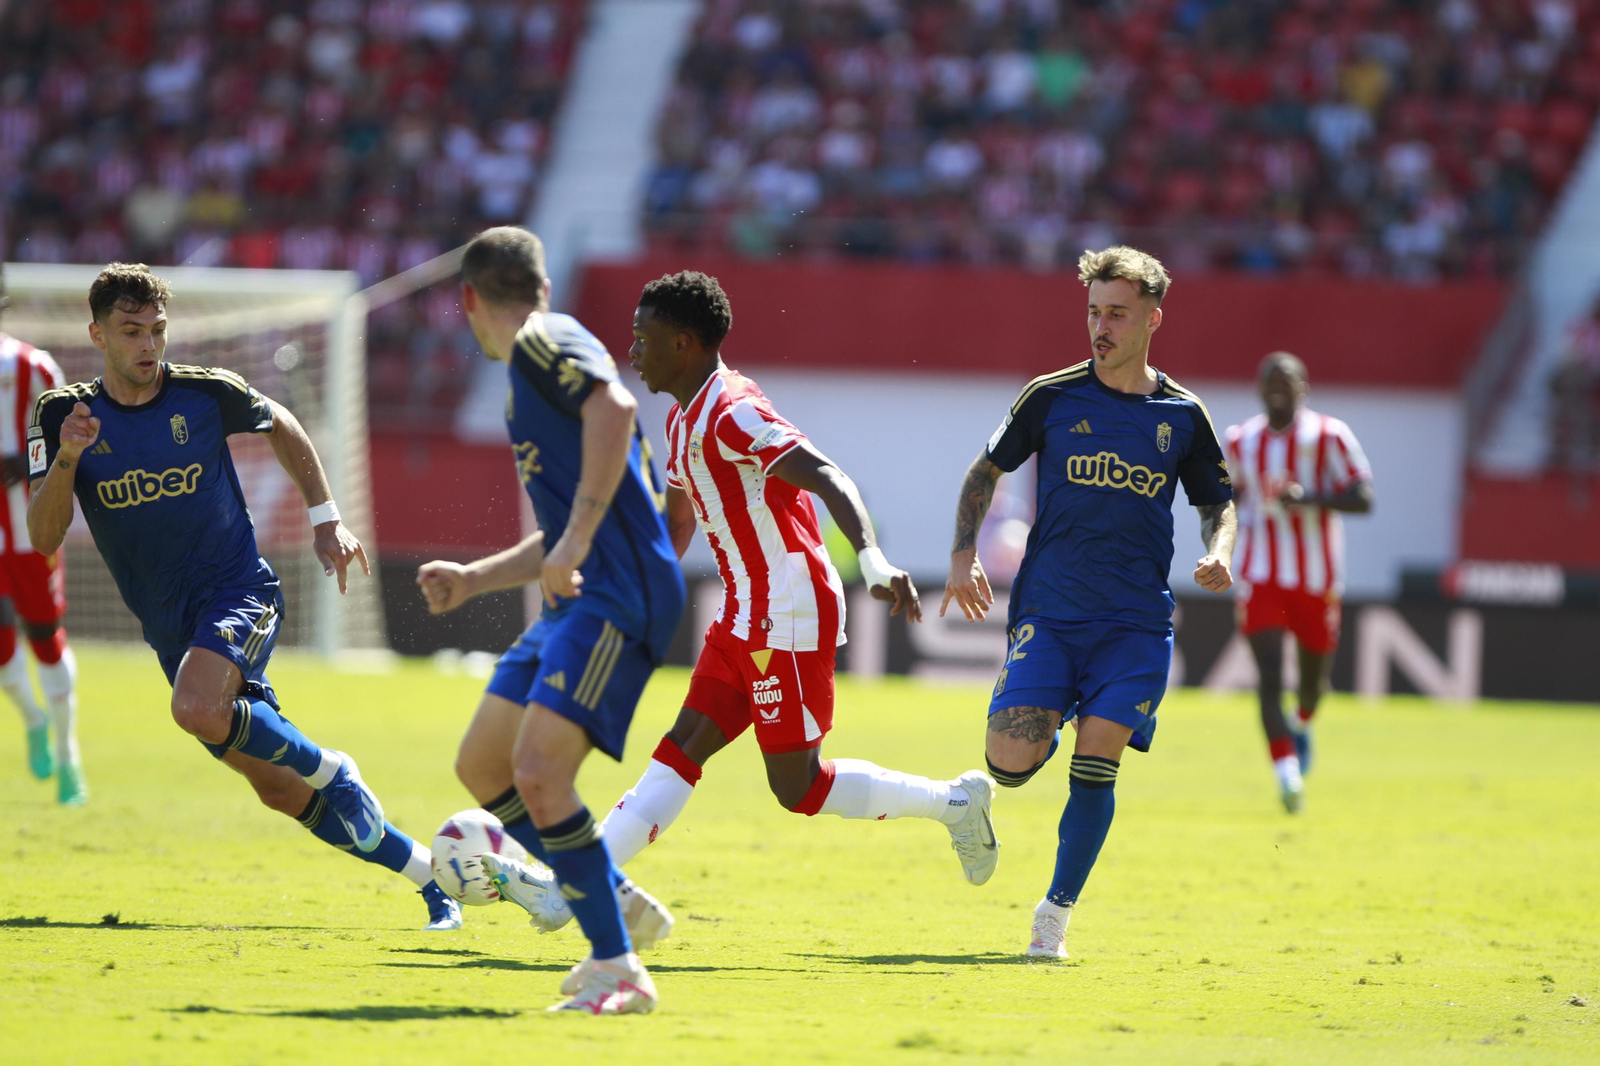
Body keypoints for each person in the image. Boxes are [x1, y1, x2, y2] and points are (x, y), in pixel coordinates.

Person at [477, 269, 999, 994]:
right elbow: (678, 523)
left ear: (685, 344)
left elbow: (826, 474)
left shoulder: (732, 411)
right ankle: (566, 887)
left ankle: (956, 804)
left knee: (799, 787)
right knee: (682, 747)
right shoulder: (682, 420)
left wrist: (873, 558)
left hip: (787, 614)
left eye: (645, 337)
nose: (633, 348)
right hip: (745, 613)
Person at [27, 262, 461, 931]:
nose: (149, 344)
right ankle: (431, 879)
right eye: (132, 331)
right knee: (278, 789)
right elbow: (43, 535)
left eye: (157, 329)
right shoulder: (62, 415)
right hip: (169, 628)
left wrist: (326, 519)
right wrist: (68, 458)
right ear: (97, 334)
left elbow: (282, 422)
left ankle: (335, 769)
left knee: (196, 708)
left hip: (239, 591)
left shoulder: (204, 393)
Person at [416, 228, 686, 1016]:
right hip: (583, 592)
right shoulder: (535, 367)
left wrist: (572, 544)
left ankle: (617, 967)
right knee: (485, 765)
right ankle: (612, 895)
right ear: (539, 282)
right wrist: (475, 579)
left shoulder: (544, 339)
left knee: (539, 775)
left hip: (616, 592)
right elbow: (572, 519)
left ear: (469, 298)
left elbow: (616, 406)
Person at [941, 246, 1236, 959]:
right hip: (1051, 611)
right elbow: (984, 470)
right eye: (1094, 313)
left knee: (1098, 760)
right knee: (1009, 762)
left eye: (1118, 315)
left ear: (1153, 319)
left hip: (1135, 623)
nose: (1101, 328)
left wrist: (1221, 551)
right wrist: (961, 555)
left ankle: (1054, 916)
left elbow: (1217, 504)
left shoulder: (1183, 415)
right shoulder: (1050, 396)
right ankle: (988, 784)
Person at [1223, 352, 1373, 812]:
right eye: (1269, 379)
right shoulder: (1240, 440)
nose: (1277, 387)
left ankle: (1302, 721)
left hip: (1315, 577)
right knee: (1269, 675)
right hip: (1260, 573)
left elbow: (1363, 497)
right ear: (1259, 388)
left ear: (1303, 388)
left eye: (1285, 380)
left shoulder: (1329, 435)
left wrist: (1310, 498)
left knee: (1312, 685)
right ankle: (1286, 774)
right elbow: (1226, 497)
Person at [0, 266, 84, 804]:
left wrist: (28, 464)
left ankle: (68, 753)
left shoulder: (34, 366)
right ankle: (33, 718)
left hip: (30, 533)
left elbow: (64, 434)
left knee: (46, 640)